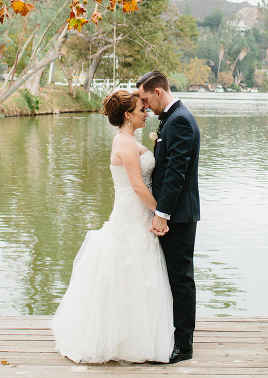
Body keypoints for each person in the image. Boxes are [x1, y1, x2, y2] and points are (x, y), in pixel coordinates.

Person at [50, 90, 174, 364]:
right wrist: (161, 213)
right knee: (129, 273)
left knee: (139, 277)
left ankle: (135, 340)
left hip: (136, 216)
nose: (147, 113)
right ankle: (121, 342)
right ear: (128, 115)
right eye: (142, 110)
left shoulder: (128, 139)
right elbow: (138, 187)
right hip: (130, 216)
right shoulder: (126, 144)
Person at [136, 70, 200, 364]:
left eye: (146, 99)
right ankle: (171, 335)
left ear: (158, 92)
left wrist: (162, 214)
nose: (145, 106)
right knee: (172, 276)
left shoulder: (181, 121)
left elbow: (176, 174)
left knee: (181, 278)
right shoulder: (172, 119)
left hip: (178, 215)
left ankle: (184, 346)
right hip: (173, 212)